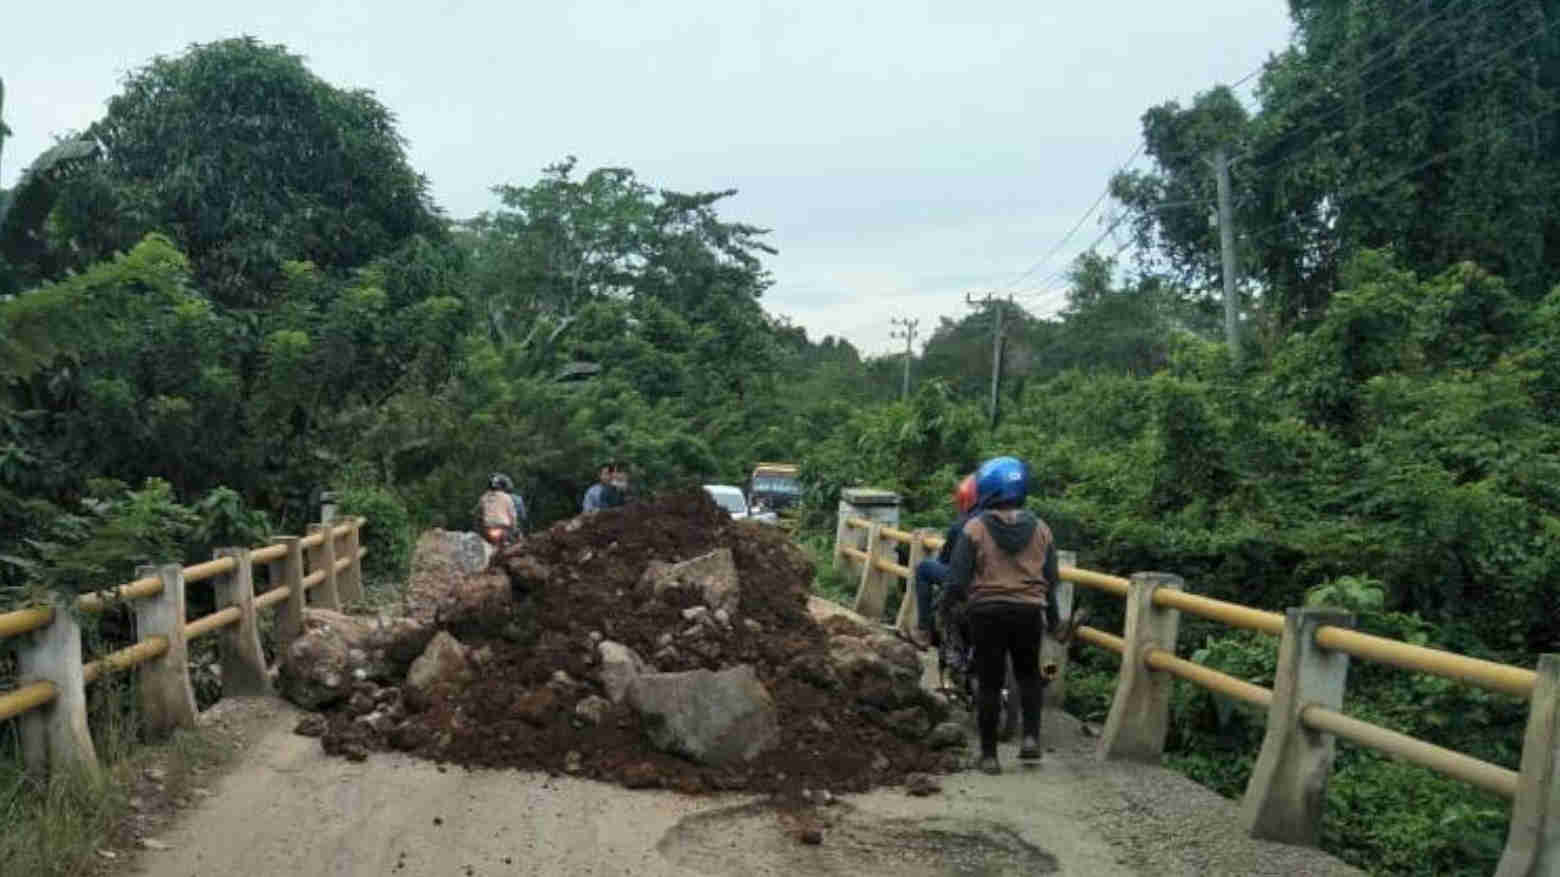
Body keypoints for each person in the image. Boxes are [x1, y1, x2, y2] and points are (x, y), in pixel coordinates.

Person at [944, 455, 1058, 775]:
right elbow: (1051, 580)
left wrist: (949, 607)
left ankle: (990, 756)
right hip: (1029, 613)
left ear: (987, 490)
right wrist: (1057, 620)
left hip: (986, 613)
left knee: (990, 683)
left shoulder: (975, 528)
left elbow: (956, 579)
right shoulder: (1042, 529)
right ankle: (1031, 740)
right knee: (1028, 676)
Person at [909, 474, 977, 649]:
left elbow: (945, 559)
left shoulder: (963, 524)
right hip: (1007, 585)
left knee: (924, 569)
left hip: (969, 583)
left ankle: (924, 630)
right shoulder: (1022, 521)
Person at [479, 473, 520, 546]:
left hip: (488, 529)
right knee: (516, 543)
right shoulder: (507, 497)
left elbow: (480, 514)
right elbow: (513, 515)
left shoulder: (483, 498)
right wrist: (515, 527)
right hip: (503, 528)